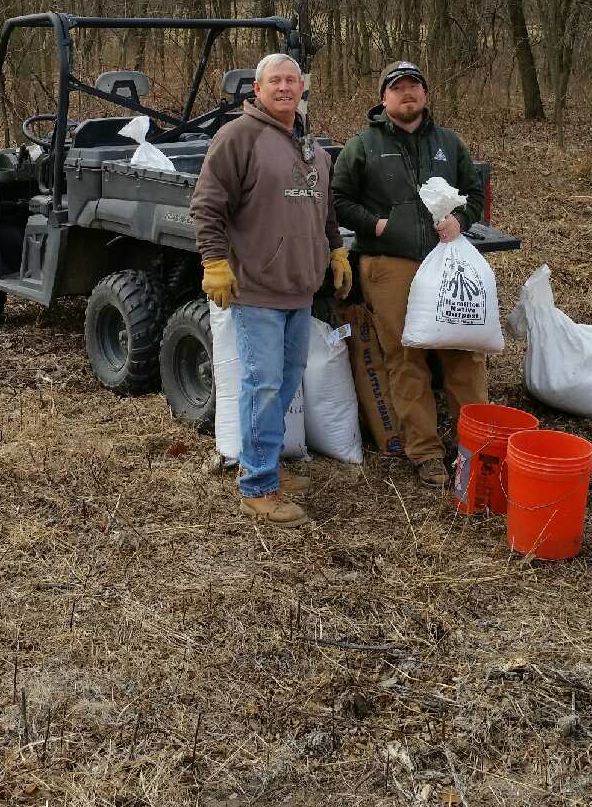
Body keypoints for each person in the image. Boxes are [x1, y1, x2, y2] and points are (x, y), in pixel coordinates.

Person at [191, 53, 352, 526]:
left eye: (291, 80)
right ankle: (258, 488)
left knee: (282, 384)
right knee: (261, 386)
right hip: (258, 289)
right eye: (274, 80)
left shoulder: (310, 145)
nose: (284, 87)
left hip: (300, 289)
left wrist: (336, 250)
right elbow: (206, 205)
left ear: (302, 88)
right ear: (257, 90)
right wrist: (214, 262)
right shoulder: (238, 137)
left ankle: (264, 464)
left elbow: (325, 210)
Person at [332, 60, 485, 487]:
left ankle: (477, 447)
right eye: (397, 87)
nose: (407, 93)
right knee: (406, 356)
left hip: (447, 260)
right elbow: (338, 199)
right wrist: (377, 225)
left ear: (425, 94)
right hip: (389, 263)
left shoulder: (449, 144)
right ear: (384, 99)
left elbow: (474, 194)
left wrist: (461, 220)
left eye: (414, 86)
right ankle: (426, 453)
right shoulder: (363, 145)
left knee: (463, 352)